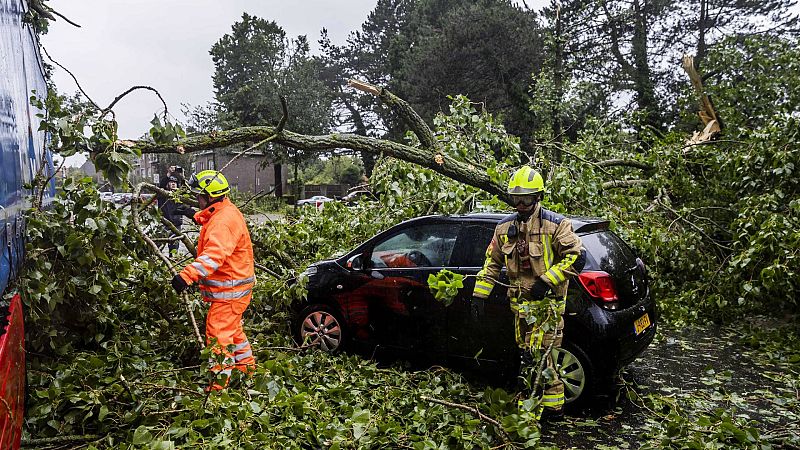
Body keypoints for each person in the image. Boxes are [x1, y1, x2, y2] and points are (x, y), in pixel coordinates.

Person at [472, 166, 586, 421]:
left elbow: (577, 258)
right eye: (516, 198)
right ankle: (538, 401)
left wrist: (546, 281)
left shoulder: (556, 225)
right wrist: (480, 295)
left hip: (547, 307)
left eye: (526, 198)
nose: (520, 204)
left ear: (538, 197)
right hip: (519, 308)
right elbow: (492, 263)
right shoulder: (504, 228)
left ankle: (551, 409)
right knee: (528, 355)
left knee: (542, 355)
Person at [170, 170, 256, 390]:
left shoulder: (222, 222)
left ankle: (218, 387)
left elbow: (213, 256)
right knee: (233, 331)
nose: (197, 199)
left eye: (199, 196)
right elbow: (212, 217)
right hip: (237, 287)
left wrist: (185, 276)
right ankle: (246, 369)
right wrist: (193, 214)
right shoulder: (224, 210)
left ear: (208, 197)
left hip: (230, 291)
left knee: (218, 336)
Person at [159, 175, 194, 252]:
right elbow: (161, 185)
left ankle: (172, 259)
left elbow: (189, 193)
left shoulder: (181, 196)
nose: (173, 184)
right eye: (171, 182)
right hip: (164, 224)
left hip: (176, 224)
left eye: (175, 182)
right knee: (158, 245)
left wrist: (182, 177)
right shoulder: (162, 195)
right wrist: (168, 175)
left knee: (174, 247)